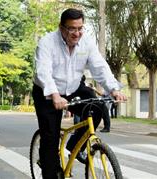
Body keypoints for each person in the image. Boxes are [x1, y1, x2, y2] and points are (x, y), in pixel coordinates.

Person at [32, 8, 126, 179]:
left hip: (74, 86)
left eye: (80, 28)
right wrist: (54, 95)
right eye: (72, 29)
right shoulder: (47, 42)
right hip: (47, 91)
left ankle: (75, 146)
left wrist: (114, 89)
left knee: (97, 107)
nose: (77, 33)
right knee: (50, 139)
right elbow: (43, 72)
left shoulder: (87, 43)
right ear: (62, 28)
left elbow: (100, 67)